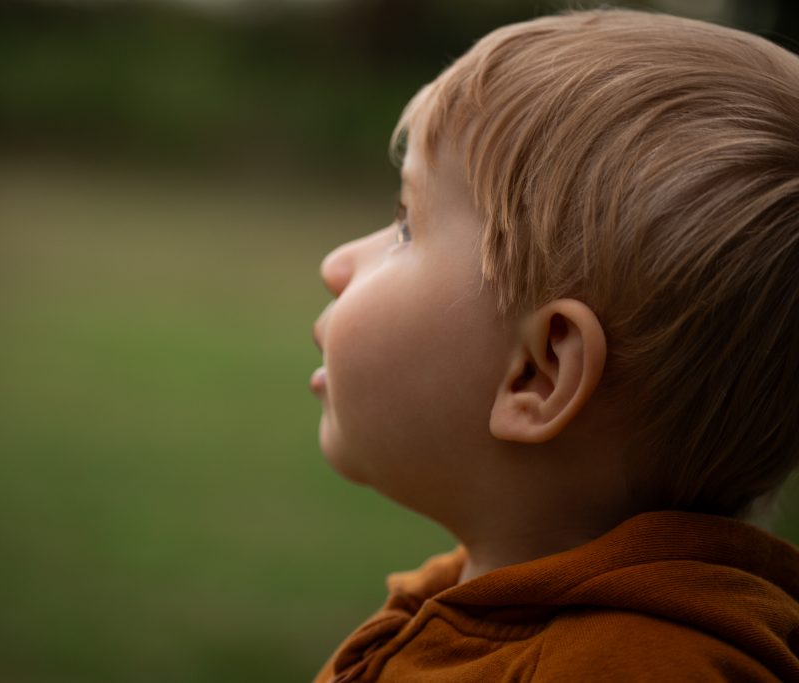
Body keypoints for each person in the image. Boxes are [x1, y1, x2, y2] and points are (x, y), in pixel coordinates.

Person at [309, 8, 799, 682]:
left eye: (405, 224)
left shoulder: (633, 666)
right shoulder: (470, 606)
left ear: (539, 372)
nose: (336, 262)